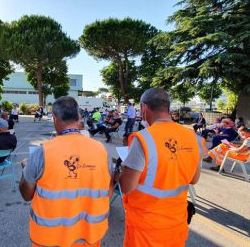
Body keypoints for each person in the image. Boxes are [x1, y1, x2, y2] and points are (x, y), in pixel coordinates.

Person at [118, 88, 206, 247]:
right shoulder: (194, 138)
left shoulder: (143, 139)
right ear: (167, 107)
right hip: (177, 224)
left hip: (145, 229)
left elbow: (126, 186)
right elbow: (194, 179)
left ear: (144, 108)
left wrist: (120, 171)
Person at [19, 96, 112, 247]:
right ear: (79, 117)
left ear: (55, 118)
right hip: (89, 236)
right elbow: (108, 191)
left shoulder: (42, 152)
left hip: (50, 239)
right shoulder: (102, 150)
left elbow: (26, 194)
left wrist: (26, 170)